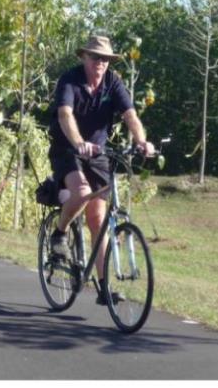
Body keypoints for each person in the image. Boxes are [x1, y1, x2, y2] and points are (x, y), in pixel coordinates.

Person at [48, 35, 155, 303]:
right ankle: (60, 233)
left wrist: (141, 141)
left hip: (99, 153)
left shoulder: (113, 82)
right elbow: (65, 114)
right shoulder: (70, 80)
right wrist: (78, 142)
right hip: (67, 149)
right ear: (84, 57)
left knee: (98, 220)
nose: (101, 63)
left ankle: (104, 288)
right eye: (95, 57)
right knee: (82, 191)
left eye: (105, 59)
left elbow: (130, 114)